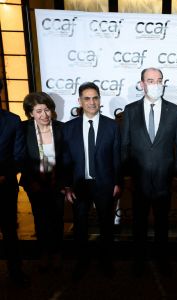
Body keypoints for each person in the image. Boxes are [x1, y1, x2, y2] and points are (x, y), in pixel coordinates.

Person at [121, 67, 177, 276]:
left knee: (162, 224)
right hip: (138, 180)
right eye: (150, 80)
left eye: (159, 80)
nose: (155, 84)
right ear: (141, 84)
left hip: (164, 180)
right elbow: (125, 146)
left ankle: (162, 260)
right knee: (138, 224)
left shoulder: (174, 111)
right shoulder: (130, 110)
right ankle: (138, 261)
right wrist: (127, 175)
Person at [63, 82, 121, 280]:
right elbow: (65, 159)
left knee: (106, 225)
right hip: (79, 185)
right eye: (87, 98)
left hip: (104, 184)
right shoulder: (69, 128)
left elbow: (117, 157)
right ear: (79, 101)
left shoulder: (112, 126)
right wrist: (67, 186)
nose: (91, 102)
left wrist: (117, 182)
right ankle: (82, 261)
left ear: (99, 100)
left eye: (95, 98)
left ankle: (106, 261)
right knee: (80, 225)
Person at [20, 92, 64, 272]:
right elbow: (20, 157)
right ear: (31, 113)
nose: (44, 115)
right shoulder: (23, 129)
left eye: (47, 110)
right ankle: (44, 254)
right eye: (39, 111)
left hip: (57, 183)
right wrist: (31, 181)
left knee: (57, 219)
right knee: (41, 219)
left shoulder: (62, 128)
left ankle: (57, 254)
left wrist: (64, 183)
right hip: (34, 184)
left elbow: (68, 158)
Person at [0, 79, 28, 286]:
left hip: (4, 186)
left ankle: (15, 272)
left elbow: (19, 155)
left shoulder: (12, 120)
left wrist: (3, 175)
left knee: (10, 230)